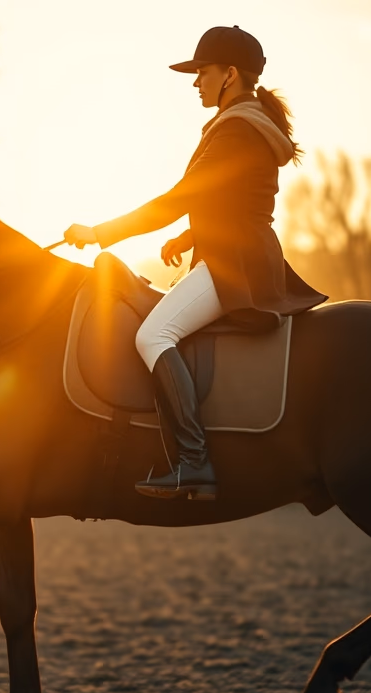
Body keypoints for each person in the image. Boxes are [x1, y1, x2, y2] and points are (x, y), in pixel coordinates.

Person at [64, 25, 326, 501]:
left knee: (152, 335)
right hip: (235, 250)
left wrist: (100, 233)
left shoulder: (238, 128)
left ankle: (193, 462)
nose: (195, 82)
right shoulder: (241, 123)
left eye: (201, 72)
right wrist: (191, 235)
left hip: (235, 264)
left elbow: (180, 197)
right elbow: (236, 199)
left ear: (228, 75)